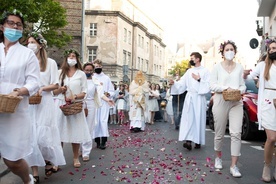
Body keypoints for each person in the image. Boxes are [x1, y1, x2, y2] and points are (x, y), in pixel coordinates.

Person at [0, 9, 40, 184]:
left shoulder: (27, 54)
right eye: (11, 23)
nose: (15, 27)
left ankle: (27, 179)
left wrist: (19, 91)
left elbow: (34, 82)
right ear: (2, 27)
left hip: (14, 111)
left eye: (19, 25)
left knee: (12, 160)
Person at [24, 32, 66, 183]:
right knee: (32, 138)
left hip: (45, 102)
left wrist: (42, 88)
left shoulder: (51, 63)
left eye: (33, 42)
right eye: (28, 42)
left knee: (44, 138)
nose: (30, 45)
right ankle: (35, 173)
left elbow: (55, 84)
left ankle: (48, 161)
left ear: (40, 45)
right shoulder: (26, 62)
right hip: (30, 103)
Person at [210, 40, 246, 178]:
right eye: (227, 49)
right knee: (219, 132)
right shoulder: (217, 68)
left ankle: (233, 165)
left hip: (236, 101)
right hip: (221, 100)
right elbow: (212, 85)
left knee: (236, 133)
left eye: (232, 49)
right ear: (223, 52)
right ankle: (218, 157)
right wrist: (225, 88)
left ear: (234, 52)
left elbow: (243, 85)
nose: (229, 51)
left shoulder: (239, 67)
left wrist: (239, 90)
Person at [244, 39, 276, 182]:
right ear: (268, 51)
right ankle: (267, 166)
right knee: (272, 138)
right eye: (271, 48)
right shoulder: (263, 65)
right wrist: (245, 75)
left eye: (275, 48)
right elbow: (250, 76)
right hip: (268, 103)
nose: (273, 50)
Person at [53, 48, 90, 168]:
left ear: (77, 59)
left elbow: (85, 91)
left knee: (76, 132)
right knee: (59, 133)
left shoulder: (81, 74)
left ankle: (75, 157)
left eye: (73, 56)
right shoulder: (59, 73)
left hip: (75, 106)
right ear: (66, 58)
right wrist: (61, 89)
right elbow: (54, 91)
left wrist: (75, 96)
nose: (71, 58)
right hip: (60, 105)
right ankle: (58, 160)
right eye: (69, 56)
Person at [170, 52, 210, 150]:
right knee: (188, 119)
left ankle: (198, 141)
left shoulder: (205, 71)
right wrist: (174, 83)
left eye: (192, 58)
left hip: (199, 98)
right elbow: (182, 83)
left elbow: (209, 85)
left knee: (198, 119)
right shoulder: (189, 72)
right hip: (190, 98)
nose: (190, 60)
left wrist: (199, 79)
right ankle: (188, 141)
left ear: (198, 59)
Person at [81, 62, 114, 161]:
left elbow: (100, 93)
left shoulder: (95, 80)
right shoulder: (80, 79)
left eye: (90, 70)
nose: (89, 72)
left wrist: (108, 100)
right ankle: (79, 148)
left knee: (89, 128)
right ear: (83, 70)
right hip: (80, 104)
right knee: (80, 127)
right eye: (87, 70)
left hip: (91, 105)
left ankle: (86, 152)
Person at [92, 59, 115, 150]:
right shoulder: (92, 77)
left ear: (102, 67)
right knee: (96, 122)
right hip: (95, 102)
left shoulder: (106, 78)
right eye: (96, 66)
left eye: (99, 66)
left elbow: (111, 90)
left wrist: (108, 94)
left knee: (103, 121)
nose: (97, 68)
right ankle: (97, 141)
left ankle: (104, 141)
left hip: (104, 102)